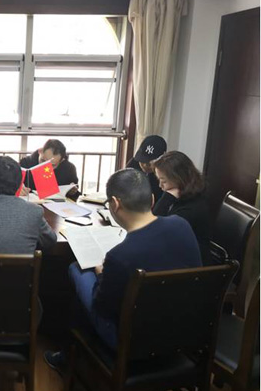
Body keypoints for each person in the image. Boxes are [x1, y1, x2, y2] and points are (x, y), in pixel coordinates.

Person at [44, 168, 202, 369]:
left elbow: (102, 306)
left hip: (133, 340)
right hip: (183, 332)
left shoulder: (119, 256)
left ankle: (67, 354)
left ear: (115, 204)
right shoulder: (182, 225)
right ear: (152, 200)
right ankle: (68, 354)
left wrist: (101, 274)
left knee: (78, 269)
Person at [152, 151, 212, 265]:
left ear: (179, 178)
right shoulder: (183, 195)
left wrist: (166, 198)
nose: (160, 185)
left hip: (190, 266)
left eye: (163, 181)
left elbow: (154, 229)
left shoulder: (190, 209)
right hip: (178, 252)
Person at [126, 135, 167, 203]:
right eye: (142, 161)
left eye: (149, 163)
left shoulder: (165, 175)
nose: (145, 165)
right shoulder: (133, 165)